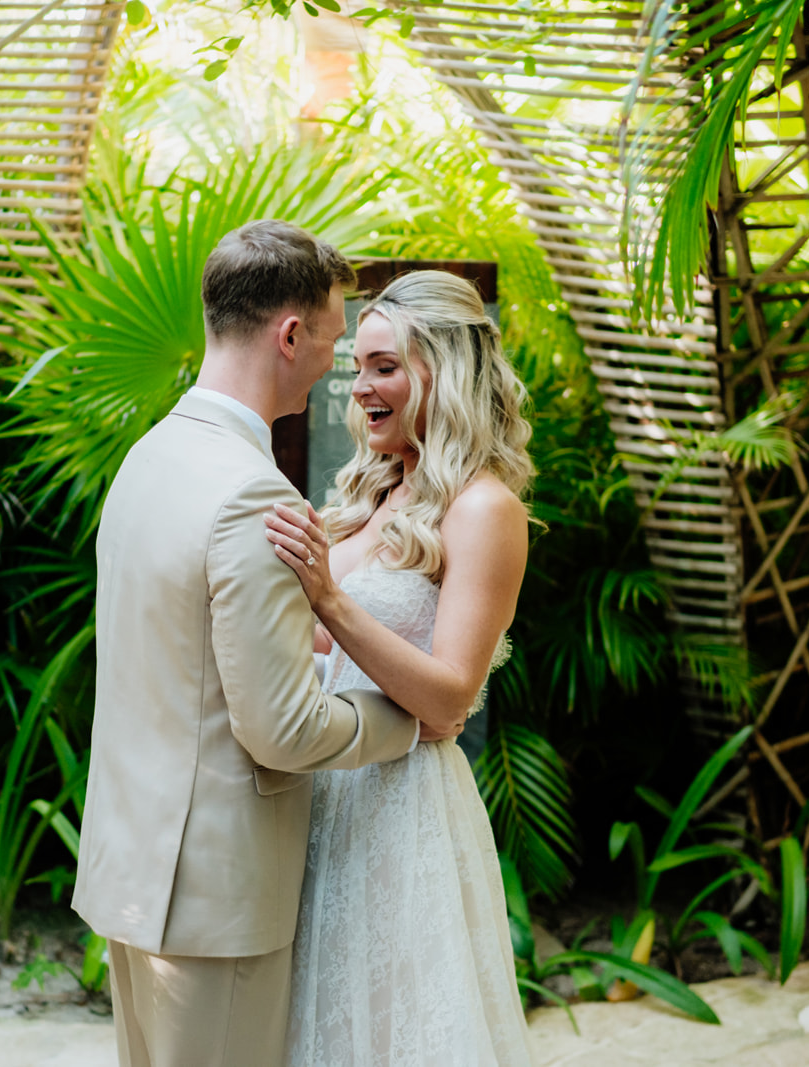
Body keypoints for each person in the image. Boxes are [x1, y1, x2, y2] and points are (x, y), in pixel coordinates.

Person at [71, 221, 462, 1067]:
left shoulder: (149, 458)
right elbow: (280, 730)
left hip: (135, 872)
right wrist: (404, 721)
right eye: (333, 340)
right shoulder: (250, 492)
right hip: (216, 894)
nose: (338, 367)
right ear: (290, 334)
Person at [264, 270, 536, 1066]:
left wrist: (326, 597)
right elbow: (320, 658)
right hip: (325, 793)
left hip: (402, 808)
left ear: (443, 370)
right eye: (358, 366)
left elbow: (450, 697)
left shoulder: (485, 509)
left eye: (384, 365)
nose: (362, 387)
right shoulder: (370, 493)